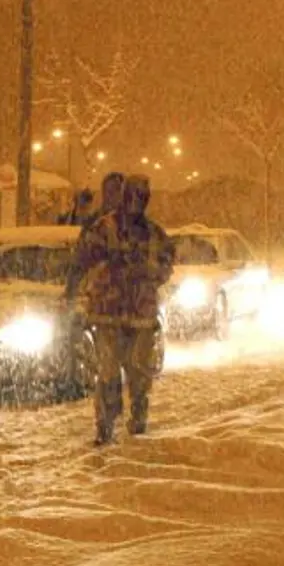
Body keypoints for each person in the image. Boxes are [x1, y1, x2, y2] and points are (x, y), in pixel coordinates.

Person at [72, 173, 174, 446]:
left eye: (142, 197)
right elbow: (83, 258)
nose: (136, 202)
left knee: (139, 372)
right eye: (133, 196)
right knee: (107, 372)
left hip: (140, 315)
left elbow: (166, 266)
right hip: (108, 314)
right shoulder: (104, 228)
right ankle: (105, 425)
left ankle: (138, 419)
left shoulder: (154, 233)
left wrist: (147, 273)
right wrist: (110, 266)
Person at [63, 172, 127, 303]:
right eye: (109, 191)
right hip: (100, 298)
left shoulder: (137, 225)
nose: (113, 196)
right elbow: (79, 260)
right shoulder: (94, 223)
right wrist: (70, 292)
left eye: (117, 190)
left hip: (129, 300)